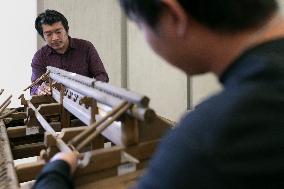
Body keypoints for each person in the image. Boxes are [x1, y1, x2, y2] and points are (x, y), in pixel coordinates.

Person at [33, 0, 284, 188]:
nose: (54, 38)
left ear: (174, 15)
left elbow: (101, 78)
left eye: (141, 25)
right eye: (48, 34)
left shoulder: (209, 137)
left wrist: (54, 173)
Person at [31, 9, 109, 95]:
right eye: (49, 34)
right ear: (43, 37)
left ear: (67, 30)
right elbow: (34, 87)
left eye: (58, 32)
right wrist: (39, 90)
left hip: (85, 100)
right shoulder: (40, 57)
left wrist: (91, 89)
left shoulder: (86, 47)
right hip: (54, 104)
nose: (55, 38)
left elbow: (102, 76)